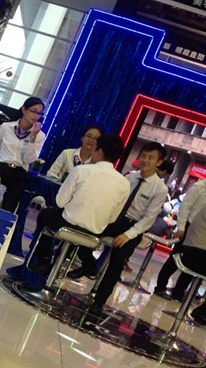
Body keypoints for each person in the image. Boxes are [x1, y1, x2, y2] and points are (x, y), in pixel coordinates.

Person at [68, 142, 168, 313]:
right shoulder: (129, 178)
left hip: (133, 227)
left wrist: (127, 235)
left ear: (159, 162)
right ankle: (89, 265)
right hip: (114, 220)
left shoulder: (160, 189)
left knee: (118, 259)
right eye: (143, 155)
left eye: (151, 158)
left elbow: (148, 219)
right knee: (84, 230)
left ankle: (99, 301)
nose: (145, 160)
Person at [27, 134, 130, 274]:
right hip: (94, 233)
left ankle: (43, 260)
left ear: (99, 151)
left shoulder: (82, 170)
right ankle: (59, 265)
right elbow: (112, 219)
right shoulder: (124, 183)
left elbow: (60, 202)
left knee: (46, 214)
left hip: (67, 225)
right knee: (69, 223)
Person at [0, 96, 46, 212]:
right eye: (33, 111)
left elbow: (28, 160)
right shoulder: (6, 127)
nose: (36, 116)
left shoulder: (40, 135)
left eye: (39, 113)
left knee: (8, 209)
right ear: (24, 109)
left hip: (19, 174)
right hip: (0, 169)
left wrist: (33, 137)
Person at [154, 178, 206, 299]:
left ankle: (178, 292)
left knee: (193, 264)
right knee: (175, 258)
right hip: (188, 226)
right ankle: (160, 287)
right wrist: (181, 227)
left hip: (201, 232)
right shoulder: (199, 187)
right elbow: (184, 206)